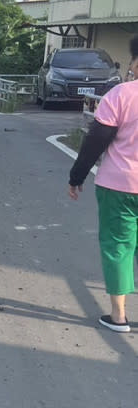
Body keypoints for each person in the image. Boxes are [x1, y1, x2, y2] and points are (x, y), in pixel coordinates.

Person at [67, 33, 138, 332]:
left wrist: (76, 176)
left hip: (120, 185)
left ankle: (119, 316)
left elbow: (96, 140)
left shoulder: (121, 95)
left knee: (119, 246)